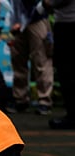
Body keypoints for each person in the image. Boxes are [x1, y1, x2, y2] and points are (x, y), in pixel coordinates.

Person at [7, 0, 54, 115]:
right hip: (16, 19)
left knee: (41, 60)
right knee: (18, 61)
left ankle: (44, 100)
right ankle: (20, 99)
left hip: (37, 18)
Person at [45, 0, 75, 129]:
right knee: (67, 71)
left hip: (69, 25)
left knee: (67, 71)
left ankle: (72, 116)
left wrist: (46, 3)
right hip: (67, 23)